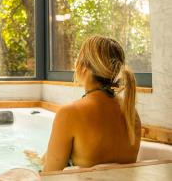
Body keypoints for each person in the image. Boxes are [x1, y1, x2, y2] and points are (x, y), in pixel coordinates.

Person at [25, 35, 141, 172]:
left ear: (83, 67)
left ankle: (36, 159)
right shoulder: (131, 112)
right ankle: (37, 158)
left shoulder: (70, 113)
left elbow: (50, 175)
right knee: (43, 158)